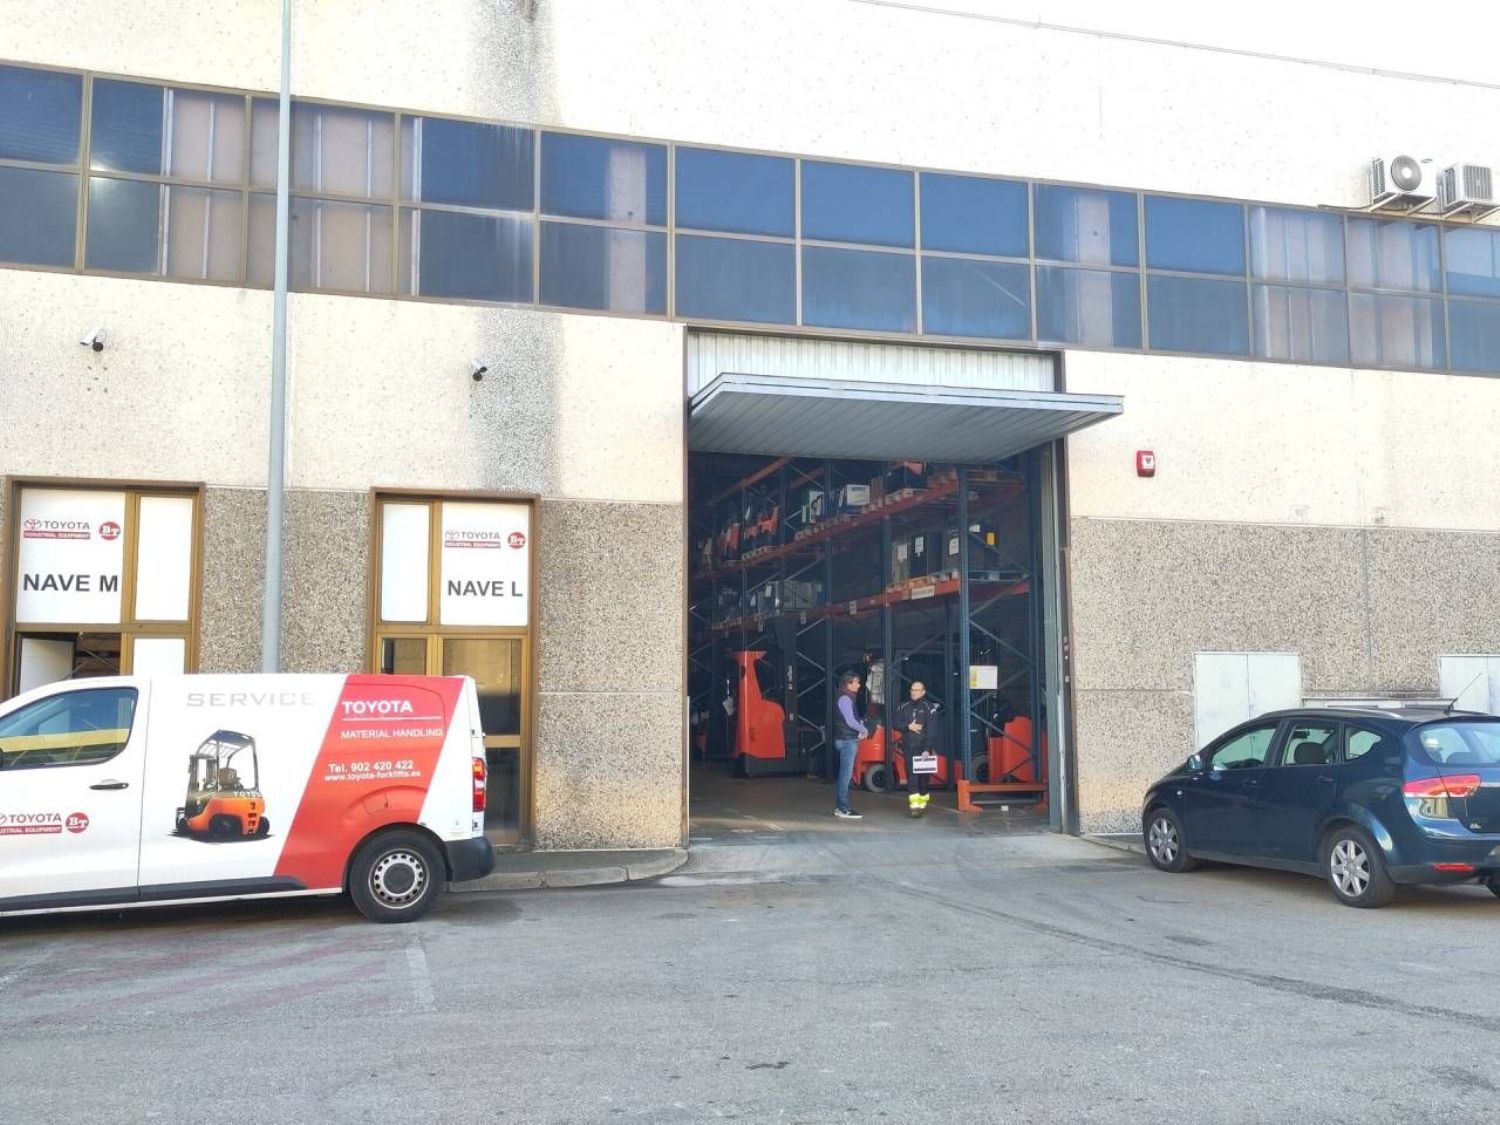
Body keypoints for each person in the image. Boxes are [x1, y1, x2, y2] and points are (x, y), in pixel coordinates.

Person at [893, 681, 941, 816]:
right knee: (911, 775)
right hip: (909, 747)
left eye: (916, 690)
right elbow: (895, 722)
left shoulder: (929, 707)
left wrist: (927, 748)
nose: (913, 692)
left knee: (924, 778)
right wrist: (908, 726)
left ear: (923, 692)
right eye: (912, 690)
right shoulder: (903, 706)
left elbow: (932, 730)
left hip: (924, 748)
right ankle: (915, 807)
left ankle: (923, 798)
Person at [832, 671, 866, 819]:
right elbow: (850, 721)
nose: (859, 685)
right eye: (856, 682)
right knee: (845, 776)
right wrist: (864, 729)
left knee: (845, 775)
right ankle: (843, 808)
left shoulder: (844, 697)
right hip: (847, 741)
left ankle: (841, 806)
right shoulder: (845, 699)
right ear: (848, 683)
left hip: (844, 739)